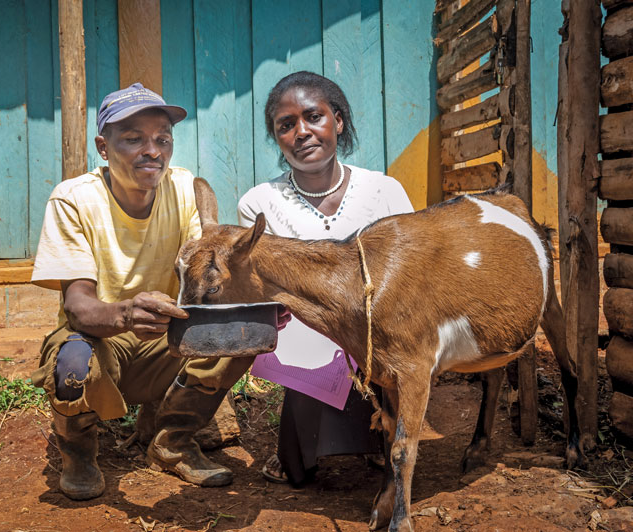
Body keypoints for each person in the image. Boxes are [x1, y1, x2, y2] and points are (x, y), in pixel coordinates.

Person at [30, 83, 253, 500]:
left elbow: (199, 274)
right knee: (74, 361)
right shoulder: (73, 200)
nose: (153, 150)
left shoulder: (182, 188)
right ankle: (78, 451)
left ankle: (173, 441)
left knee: (239, 334)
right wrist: (128, 315)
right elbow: (78, 308)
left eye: (162, 139)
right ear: (103, 145)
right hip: (99, 339)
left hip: (164, 342)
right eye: (133, 138)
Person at [237, 71, 414, 486]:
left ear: (337, 120)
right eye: (286, 125)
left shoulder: (384, 190)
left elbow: (410, 275)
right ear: (278, 138)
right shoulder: (260, 204)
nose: (302, 132)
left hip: (381, 331)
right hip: (303, 333)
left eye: (313, 117)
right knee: (317, 341)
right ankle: (311, 453)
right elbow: (261, 292)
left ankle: (382, 437)